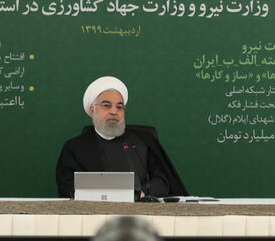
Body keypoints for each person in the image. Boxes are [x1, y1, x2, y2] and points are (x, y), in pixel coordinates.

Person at [56, 76, 188, 199]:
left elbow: (162, 181)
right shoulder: (75, 148)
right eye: (106, 105)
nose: (114, 111)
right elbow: (68, 188)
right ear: (92, 110)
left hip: (141, 210)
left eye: (119, 107)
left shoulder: (141, 142)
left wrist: (140, 193)